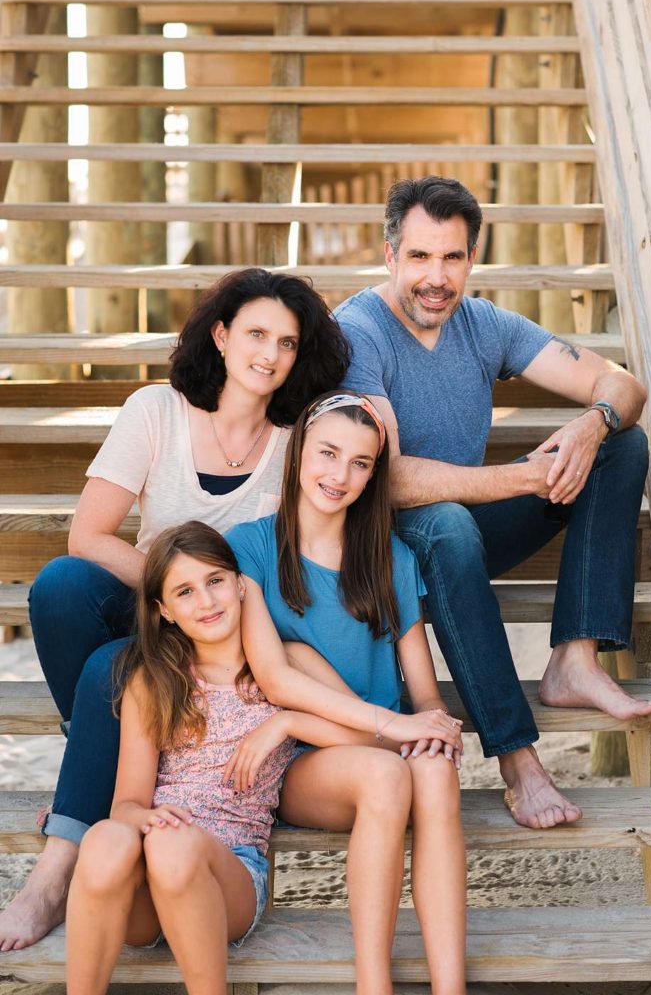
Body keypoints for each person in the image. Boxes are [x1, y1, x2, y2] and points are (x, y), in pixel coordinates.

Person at [0, 267, 350, 952]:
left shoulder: (293, 447)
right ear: (220, 336)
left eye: (286, 342)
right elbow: (89, 535)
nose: (269, 354)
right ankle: (105, 773)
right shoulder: (154, 410)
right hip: (155, 608)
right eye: (255, 333)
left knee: (110, 668)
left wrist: (204, 613)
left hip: (230, 635)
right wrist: (173, 599)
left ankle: (54, 870)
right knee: (62, 584)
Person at [333, 175, 651, 831]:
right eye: (419, 257)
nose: (435, 277)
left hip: (461, 528)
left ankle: (573, 657)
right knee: (449, 526)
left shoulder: (482, 324)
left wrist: (591, 422)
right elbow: (385, 479)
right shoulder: (356, 331)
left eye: (451, 258)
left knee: (620, 447)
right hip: (380, 547)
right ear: (390, 254)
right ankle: (517, 760)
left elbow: (622, 385)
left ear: (471, 260)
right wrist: (524, 478)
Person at [66, 521, 456, 995]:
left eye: (214, 581)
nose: (206, 602)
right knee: (106, 838)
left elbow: (366, 739)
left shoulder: (290, 663)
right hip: (148, 886)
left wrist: (286, 722)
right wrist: (145, 819)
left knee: (175, 847)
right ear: (164, 610)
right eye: (185, 592)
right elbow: (125, 802)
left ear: (241, 584)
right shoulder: (153, 681)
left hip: (230, 874)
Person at [226, 392, 467, 995]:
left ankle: (451, 986)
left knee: (436, 774)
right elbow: (277, 678)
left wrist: (434, 726)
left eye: (360, 463)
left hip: (386, 740)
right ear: (298, 453)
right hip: (306, 761)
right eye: (328, 453)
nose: (341, 475)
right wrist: (285, 722)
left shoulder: (391, 555)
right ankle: (373, 985)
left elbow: (424, 690)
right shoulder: (250, 547)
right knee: (385, 774)